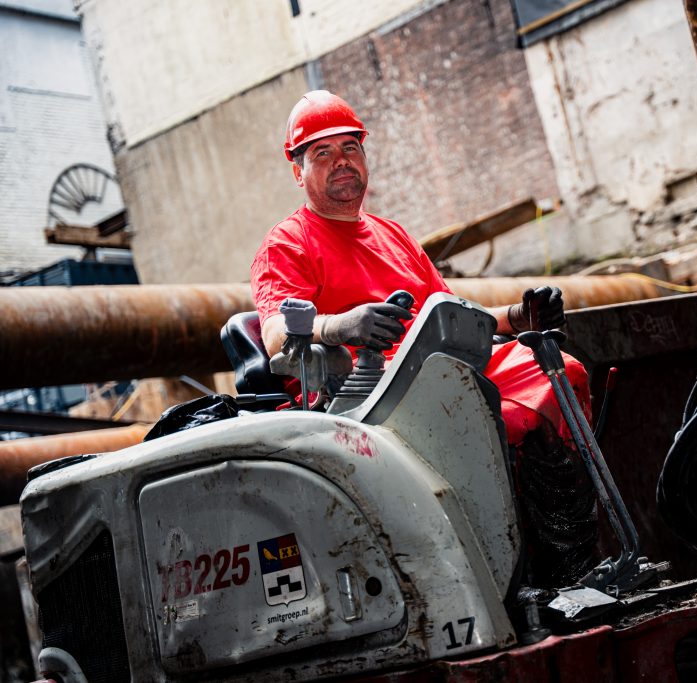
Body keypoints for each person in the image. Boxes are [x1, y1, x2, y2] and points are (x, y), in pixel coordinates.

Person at [250, 90, 596, 590]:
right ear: (297, 171)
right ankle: (513, 579)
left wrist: (518, 316)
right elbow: (276, 334)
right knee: (477, 409)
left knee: (557, 370)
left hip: (436, 370)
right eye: (321, 153)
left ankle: (569, 568)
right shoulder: (288, 243)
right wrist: (340, 326)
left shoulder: (393, 234)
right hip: (366, 398)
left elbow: (450, 314)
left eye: (350, 148)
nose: (341, 162)